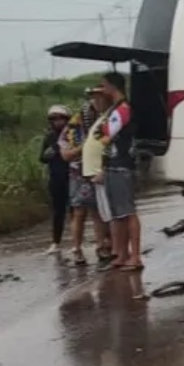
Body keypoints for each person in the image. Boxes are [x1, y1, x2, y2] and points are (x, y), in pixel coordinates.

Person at [92, 71, 143, 271]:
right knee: (117, 214)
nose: (101, 90)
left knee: (128, 212)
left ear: (112, 86)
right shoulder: (113, 109)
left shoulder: (122, 109)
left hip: (122, 165)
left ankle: (135, 256)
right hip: (113, 165)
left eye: (103, 86)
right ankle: (122, 254)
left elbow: (105, 134)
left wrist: (102, 126)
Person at [60, 87, 114, 267]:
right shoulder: (76, 123)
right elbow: (65, 154)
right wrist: (85, 147)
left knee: (99, 211)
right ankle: (77, 249)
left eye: (100, 98)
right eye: (94, 98)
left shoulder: (107, 119)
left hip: (100, 169)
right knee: (79, 212)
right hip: (79, 172)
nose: (97, 102)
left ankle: (101, 246)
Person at [39, 104, 74, 255]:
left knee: (75, 211)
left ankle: (75, 242)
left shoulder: (72, 135)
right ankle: (55, 242)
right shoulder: (50, 137)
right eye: (54, 119)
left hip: (72, 176)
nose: (58, 122)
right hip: (56, 178)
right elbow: (41, 158)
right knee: (58, 212)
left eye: (61, 119)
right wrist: (49, 153)